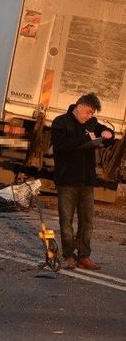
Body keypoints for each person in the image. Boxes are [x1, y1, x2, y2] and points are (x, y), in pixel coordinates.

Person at [51, 92, 114, 270]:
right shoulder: (60, 122)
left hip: (87, 182)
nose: (89, 116)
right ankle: (69, 255)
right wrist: (88, 138)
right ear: (78, 106)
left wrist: (108, 134)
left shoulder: (92, 124)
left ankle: (84, 256)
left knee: (87, 221)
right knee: (66, 221)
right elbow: (63, 146)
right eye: (87, 112)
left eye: (92, 114)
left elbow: (103, 133)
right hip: (67, 181)